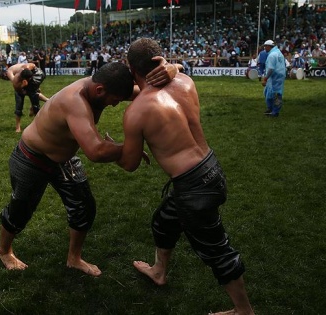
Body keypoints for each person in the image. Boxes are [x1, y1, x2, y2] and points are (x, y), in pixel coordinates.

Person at [0, 60, 180, 276]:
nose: (114, 105)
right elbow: (96, 151)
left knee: (84, 207)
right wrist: (129, 148)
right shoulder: (74, 100)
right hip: (31, 157)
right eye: (114, 101)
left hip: (63, 159)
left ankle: (74, 258)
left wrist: (172, 69)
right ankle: (4, 251)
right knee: (20, 209)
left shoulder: (104, 87)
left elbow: (147, 91)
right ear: (100, 90)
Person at [117, 37, 254, 315]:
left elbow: (130, 164)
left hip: (194, 187)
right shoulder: (186, 82)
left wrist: (109, 148)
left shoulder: (136, 112)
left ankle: (244, 311)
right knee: (164, 222)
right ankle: (159, 271)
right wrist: (176, 67)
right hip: (210, 168)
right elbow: (148, 89)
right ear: (160, 60)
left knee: (216, 250)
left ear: (131, 68)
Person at [6, 63, 49, 132]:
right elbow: (19, 90)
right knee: (19, 104)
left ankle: (37, 121)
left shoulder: (29, 67)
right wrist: (23, 88)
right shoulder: (15, 79)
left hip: (33, 73)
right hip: (21, 84)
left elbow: (34, 69)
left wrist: (36, 89)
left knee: (34, 97)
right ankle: (18, 127)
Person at [261, 40, 286, 118]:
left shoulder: (272, 55)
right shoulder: (279, 53)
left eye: (265, 46)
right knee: (273, 92)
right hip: (279, 75)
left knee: (274, 94)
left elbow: (271, 68)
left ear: (269, 46)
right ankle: (272, 109)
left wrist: (265, 78)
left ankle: (274, 111)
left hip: (274, 76)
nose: (264, 48)